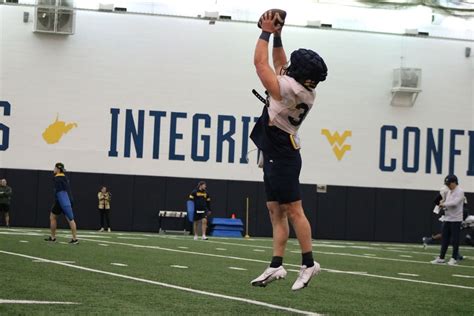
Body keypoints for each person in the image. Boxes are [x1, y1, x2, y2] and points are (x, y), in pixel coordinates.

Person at [249, 11, 327, 291]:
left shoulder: (287, 90)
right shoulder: (305, 89)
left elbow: (261, 64)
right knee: (275, 211)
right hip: (276, 147)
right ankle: (276, 264)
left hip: (281, 151)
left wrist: (266, 32)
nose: (289, 66)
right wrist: (279, 37)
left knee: (293, 210)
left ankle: (308, 263)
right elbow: (282, 65)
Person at [431, 175, 464, 265]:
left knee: (455, 239)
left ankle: (454, 258)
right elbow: (447, 204)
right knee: (445, 238)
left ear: (454, 182)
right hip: (448, 218)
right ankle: (441, 258)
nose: (448, 185)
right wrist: (443, 205)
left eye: (449, 183)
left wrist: (444, 204)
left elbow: (454, 203)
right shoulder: (449, 191)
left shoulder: (460, 191)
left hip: (456, 219)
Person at [44, 162, 79, 244]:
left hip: (62, 201)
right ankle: (74, 238)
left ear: (58, 169)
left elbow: (61, 192)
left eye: (55, 168)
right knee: (70, 219)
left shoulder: (57, 178)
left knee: (53, 217)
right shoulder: (64, 177)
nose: (54, 169)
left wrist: (63, 204)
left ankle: (53, 237)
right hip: (68, 199)